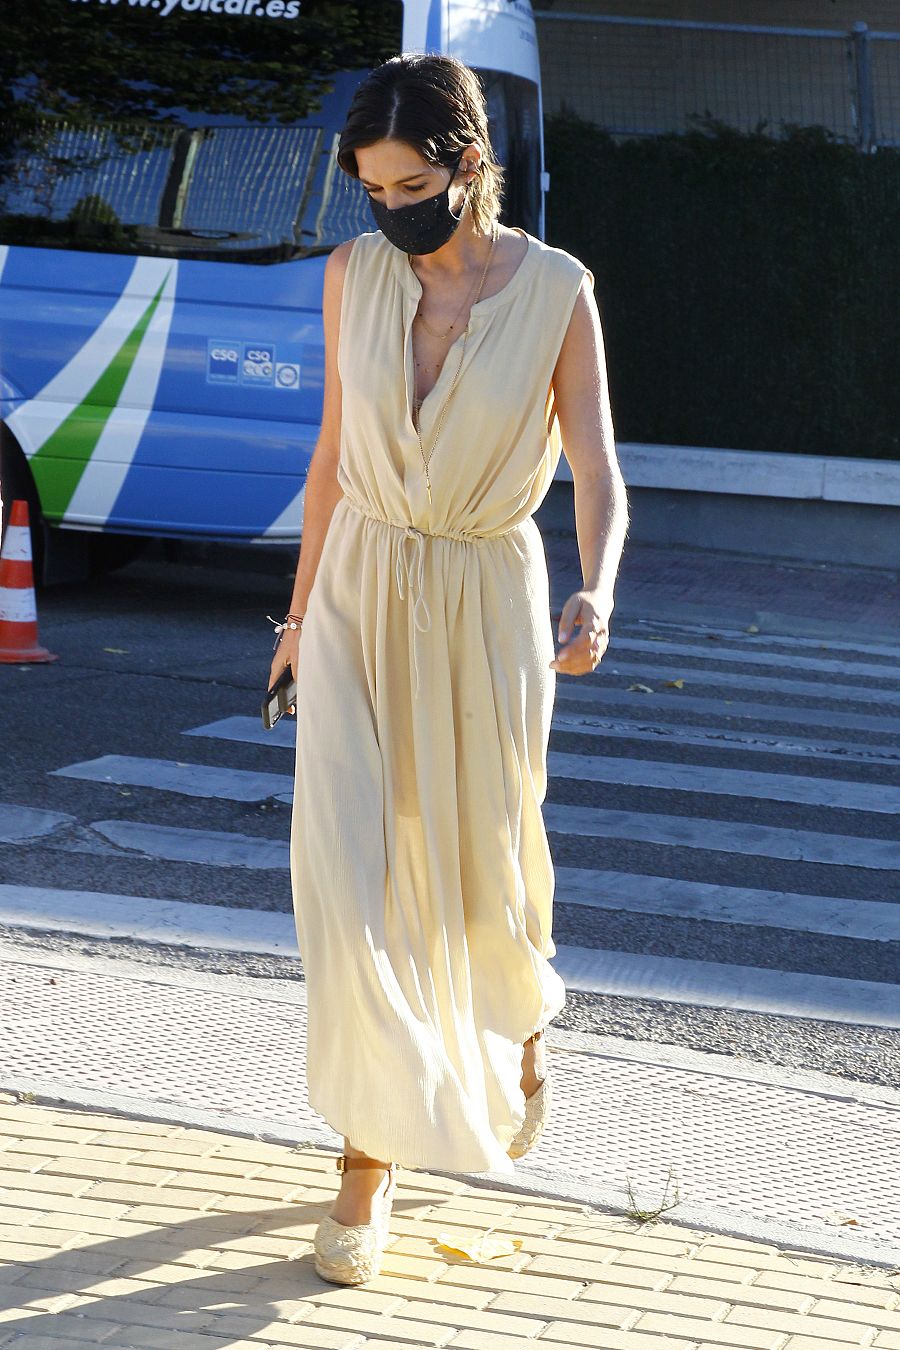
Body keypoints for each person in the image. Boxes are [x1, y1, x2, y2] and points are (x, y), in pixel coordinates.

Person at [267, 52, 628, 1286]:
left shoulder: (558, 290)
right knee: (351, 882)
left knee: (476, 871)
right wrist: (294, 616)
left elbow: (598, 471)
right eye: (370, 188)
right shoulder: (351, 275)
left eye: (412, 181)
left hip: (484, 595)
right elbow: (329, 454)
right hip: (361, 590)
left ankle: (518, 1026)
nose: (391, 209)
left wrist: (598, 585)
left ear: (471, 164)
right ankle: (365, 1163)